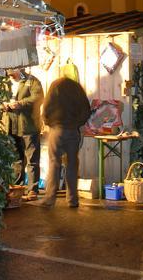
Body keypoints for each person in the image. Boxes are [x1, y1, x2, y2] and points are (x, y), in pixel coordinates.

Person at [39, 74, 91, 207]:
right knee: (72, 164)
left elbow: (46, 108)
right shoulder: (77, 88)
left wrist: (49, 122)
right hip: (73, 130)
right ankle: (72, 200)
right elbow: (86, 110)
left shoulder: (55, 86)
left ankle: (50, 198)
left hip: (57, 129)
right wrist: (78, 124)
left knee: (54, 163)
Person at [0, 68, 43, 201]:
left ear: (19, 68)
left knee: (32, 160)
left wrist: (20, 104)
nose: (8, 71)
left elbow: (38, 98)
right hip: (10, 126)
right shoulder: (5, 82)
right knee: (16, 159)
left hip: (29, 126)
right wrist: (4, 105)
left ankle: (32, 190)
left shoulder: (32, 81)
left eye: (10, 68)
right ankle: (17, 189)